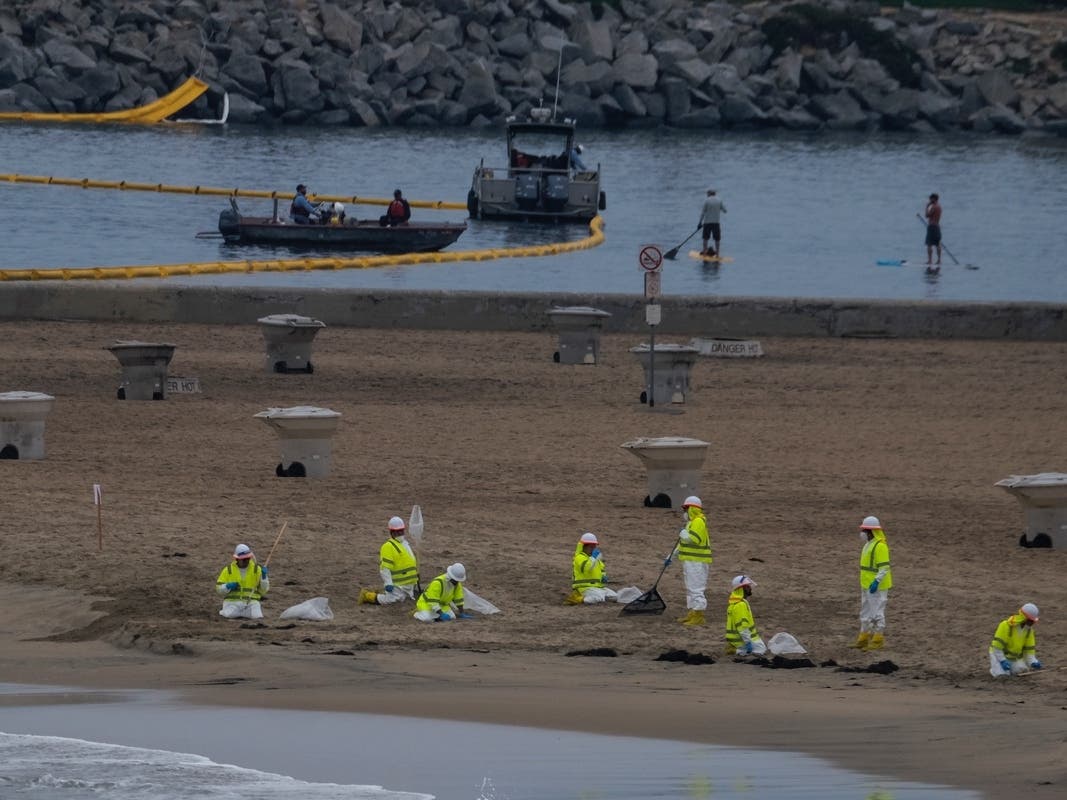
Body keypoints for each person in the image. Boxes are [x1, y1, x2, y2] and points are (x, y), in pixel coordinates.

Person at [664, 495, 712, 626]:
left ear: (692, 509)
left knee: (696, 588)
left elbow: (693, 539)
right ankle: (692, 612)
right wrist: (671, 556)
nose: (684, 512)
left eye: (686, 509)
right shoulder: (691, 523)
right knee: (690, 588)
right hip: (690, 560)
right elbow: (683, 544)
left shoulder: (699, 522)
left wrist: (683, 533)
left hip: (697, 561)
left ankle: (698, 616)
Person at [851, 515, 892, 650]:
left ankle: (878, 638)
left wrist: (876, 581)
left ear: (871, 531)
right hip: (866, 583)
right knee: (865, 612)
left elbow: (884, 567)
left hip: (876, 585)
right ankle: (864, 637)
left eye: (865, 530)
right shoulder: (868, 545)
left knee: (877, 612)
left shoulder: (880, 546)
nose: (863, 533)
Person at [358, 516, 419, 606]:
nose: (400, 533)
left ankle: (380, 591)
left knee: (407, 598)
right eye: (397, 531)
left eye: (401, 530)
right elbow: (385, 568)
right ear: (392, 532)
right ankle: (367, 596)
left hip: (409, 584)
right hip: (397, 584)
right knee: (393, 600)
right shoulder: (388, 546)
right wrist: (388, 583)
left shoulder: (405, 544)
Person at [215, 543, 269, 619]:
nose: (246, 561)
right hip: (232, 603)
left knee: (258, 617)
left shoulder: (257, 570)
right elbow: (218, 589)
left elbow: (263, 591)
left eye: (248, 558)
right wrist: (227, 586)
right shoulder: (228, 570)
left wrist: (264, 578)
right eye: (244, 559)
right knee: (227, 615)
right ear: (237, 559)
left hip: (251, 604)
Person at [989, 603, 1043, 677]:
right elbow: (997, 647)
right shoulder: (1005, 626)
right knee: (1002, 675)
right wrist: (1002, 660)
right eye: (1031, 620)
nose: (1032, 623)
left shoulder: (1029, 631)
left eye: (1033, 621)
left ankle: (1007, 668)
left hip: (1014, 658)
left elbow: (1029, 651)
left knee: (1021, 670)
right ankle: (995, 669)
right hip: (998, 654)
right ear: (1024, 618)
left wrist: (1033, 662)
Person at [564, 532, 616, 605]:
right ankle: (578, 599)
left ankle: (592, 597)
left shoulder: (595, 559)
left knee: (614, 597)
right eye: (591, 547)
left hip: (598, 587)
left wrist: (603, 576)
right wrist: (593, 558)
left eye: (594, 547)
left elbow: (601, 569)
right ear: (584, 547)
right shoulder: (579, 558)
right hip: (584, 588)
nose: (593, 549)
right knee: (598, 598)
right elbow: (588, 568)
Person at [725, 575, 767, 657]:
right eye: (748, 586)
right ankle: (738, 650)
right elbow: (742, 627)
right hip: (742, 640)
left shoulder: (735, 603)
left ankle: (736, 648)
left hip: (736, 639)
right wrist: (748, 643)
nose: (750, 588)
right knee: (761, 650)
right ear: (742, 588)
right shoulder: (740, 605)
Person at [698, 188, 727, 256]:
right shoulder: (719, 200)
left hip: (707, 223)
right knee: (717, 239)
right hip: (716, 223)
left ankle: (705, 253)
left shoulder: (706, 201)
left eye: (707, 194)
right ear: (715, 194)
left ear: (709, 194)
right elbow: (725, 211)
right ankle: (717, 254)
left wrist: (699, 223)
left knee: (705, 238)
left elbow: (703, 213)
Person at [924, 193, 942, 266]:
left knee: (929, 244)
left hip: (932, 227)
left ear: (934, 199)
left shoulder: (934, 207)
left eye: (930, 199)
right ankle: (939, 260)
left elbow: (927, 215)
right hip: (937, 226)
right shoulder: (939, 207)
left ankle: (930, 260)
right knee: (938, 244)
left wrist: (927, 206)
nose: (929, 200)